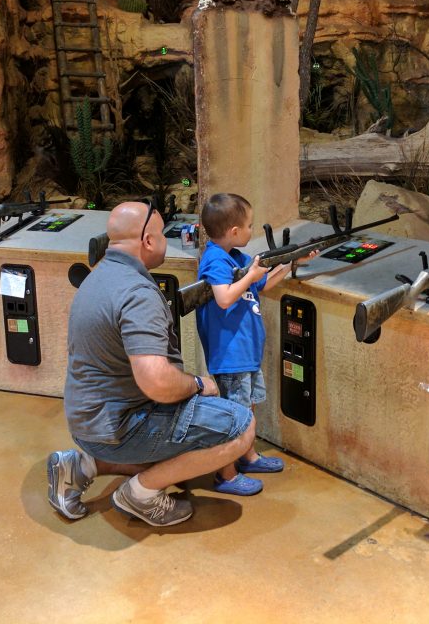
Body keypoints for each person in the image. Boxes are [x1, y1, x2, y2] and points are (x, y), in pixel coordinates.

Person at [47, 200, 256, 527]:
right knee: (240, 426)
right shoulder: (137, 294)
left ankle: (81, 465)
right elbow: (157, 381)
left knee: (179, 458)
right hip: (119, 427)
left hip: (88, 423)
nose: (165, 242)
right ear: (147, 241)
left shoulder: (99, 276)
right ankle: (140, 495)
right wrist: (198, 384)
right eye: (161, 235)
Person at [196, 193, 315, 496]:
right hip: (230, 356)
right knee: (233, 416)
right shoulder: (215, 260)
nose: (252, 231)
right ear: (234, 231)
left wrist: (291, 263)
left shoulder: (236, 257)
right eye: (249, 226)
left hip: (246, 354)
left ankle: (247, 457)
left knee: (246, 410)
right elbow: (224, 298)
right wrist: (250, 276)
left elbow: (264, 284)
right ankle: (225, 474)